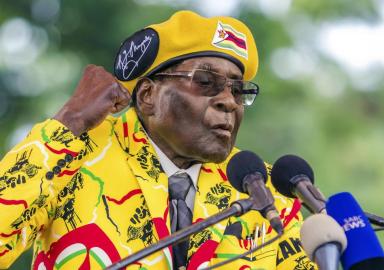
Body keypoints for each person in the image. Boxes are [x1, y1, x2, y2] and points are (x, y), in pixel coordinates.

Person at [0, 10, 317, 270]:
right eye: (206, 82)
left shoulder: (266, 191)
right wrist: (69, 122)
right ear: (149, 95)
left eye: (238, 90)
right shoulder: (73, 153)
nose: (229, 101)